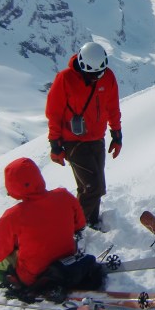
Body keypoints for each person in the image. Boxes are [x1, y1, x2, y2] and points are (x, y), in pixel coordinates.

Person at [45, 41, 122, 230]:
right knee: (94, 187)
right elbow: (54, 113)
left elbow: (112, 107)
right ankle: (72, 229)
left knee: (90, 187)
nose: (96, 78)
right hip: (74, 142)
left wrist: (116, 134)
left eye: (99, 74)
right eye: (92, 75)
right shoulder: (65, 79)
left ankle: (91, 223)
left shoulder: (108, 77)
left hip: (97, 139)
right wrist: (55, 145)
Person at [0, 157, 86, 287]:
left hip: (33, 276)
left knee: (0, 261)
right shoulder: (64, 196)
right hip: (66, 262)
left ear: (12, 185)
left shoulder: (13, 216)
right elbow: (80, 224)